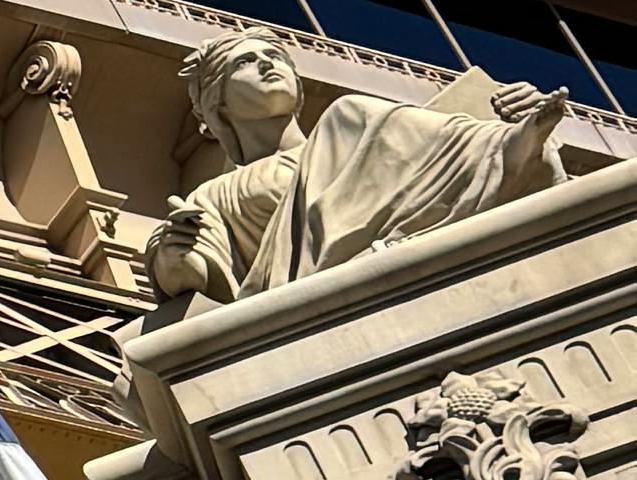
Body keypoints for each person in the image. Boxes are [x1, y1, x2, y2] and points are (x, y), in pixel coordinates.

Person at [147, 26, 562, 304]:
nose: (267, 63)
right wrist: (172, 255)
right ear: (218, 104)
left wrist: (516, 125)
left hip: (407, 249)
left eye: (274, 55)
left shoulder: (355, 130)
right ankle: (509, 147)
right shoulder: (215, 194)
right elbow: (199, 277)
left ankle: (512, 144)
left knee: (349, 115)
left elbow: (443, 157)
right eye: (244, 62)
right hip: (310, 296)